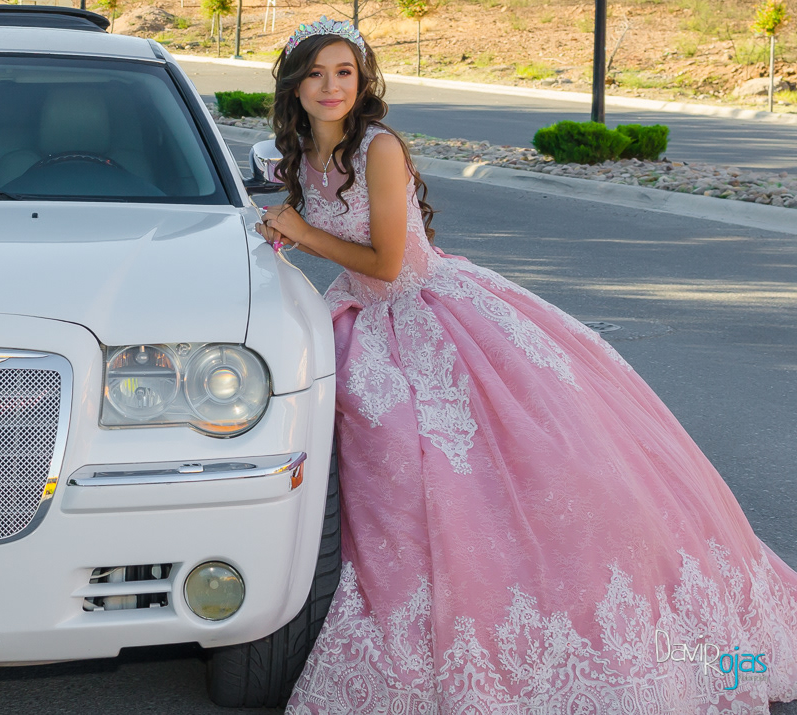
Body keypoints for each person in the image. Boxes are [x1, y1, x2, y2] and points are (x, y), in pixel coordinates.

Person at [254, 17, 797, 713]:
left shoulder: (377, 148)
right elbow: (328, 240)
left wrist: (302, 232)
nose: (330, 87)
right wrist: (279, 233)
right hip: (364, 321)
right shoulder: (302, 155)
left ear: (362, 83)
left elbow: (388, 264)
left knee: (525, 470)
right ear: (294, 85)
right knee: (376, 477)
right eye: (315, 73)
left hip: (428, 312)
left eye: (344, 72)